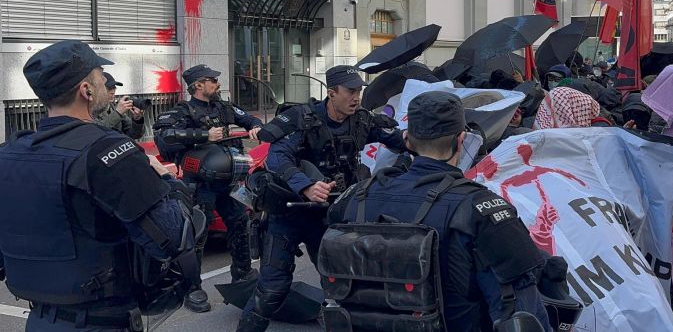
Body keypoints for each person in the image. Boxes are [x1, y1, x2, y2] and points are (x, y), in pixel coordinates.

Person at [0, 40, 201, 331]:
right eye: (98, 74)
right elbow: (173, 238)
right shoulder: (105, 150)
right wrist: (166, 181)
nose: (104, 81)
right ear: (87, 90)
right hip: (101, 320)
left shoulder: (8, 153)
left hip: (40, 319)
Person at [327, 91, 552, 331]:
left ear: (407, 141)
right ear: (462, 139)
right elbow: (519, 314)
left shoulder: (356, 197)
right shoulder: (481, 208)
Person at [237, 65, 405, 331]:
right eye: (350, 91)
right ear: (331, 93)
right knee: (271, 291)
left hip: (330, 217)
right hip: (289, 214)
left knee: (342, 287)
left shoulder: (361, 120)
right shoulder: (303, 119)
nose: (356, 97)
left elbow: (398, 140)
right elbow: (277, 158)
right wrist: (305, 186)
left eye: (359, 91)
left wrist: (429, 138)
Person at [153, 64, 263, 313]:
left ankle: (242, 275)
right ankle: (192, 288)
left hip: (228, 181)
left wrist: (254, 126)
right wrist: (203, 135)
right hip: (199, 184)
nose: (217, 83)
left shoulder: (223, 107)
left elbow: (248, 118)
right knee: (197, 235)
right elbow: (164, 136)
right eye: (212, 80)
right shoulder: (184, 110)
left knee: (239, 225)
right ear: (198, 85)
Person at [94, 72, 145, 139]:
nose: (113, 91)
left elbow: (134, 135)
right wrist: (118, 113)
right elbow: (95, 134)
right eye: (109, 87)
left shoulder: (112, 107)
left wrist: (137, 120)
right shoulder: (89, 109)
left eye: (114, 87)